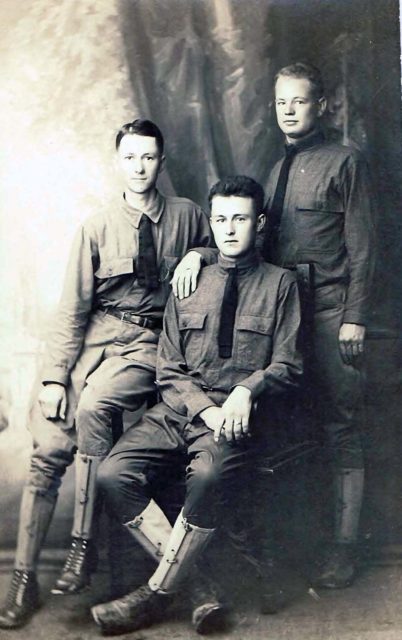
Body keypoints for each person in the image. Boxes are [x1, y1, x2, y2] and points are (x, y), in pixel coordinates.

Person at [0, 118, 217, 630]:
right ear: (116, 161)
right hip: (93, 341)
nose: (139, 167)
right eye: (129, 157)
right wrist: (55, 376)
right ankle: (24, 579)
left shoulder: (188, 216)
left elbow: (223, 253)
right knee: (49, 449)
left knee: (96, 406)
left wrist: (196, 254)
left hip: (148, 345)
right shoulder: (95, 226)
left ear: (161, 162)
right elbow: (72, 309)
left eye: (148, 157)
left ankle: (83, 546)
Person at [90, 175, 302, 635]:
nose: (229, 229)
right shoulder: (190, 280)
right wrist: (200, 408)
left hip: (233, 417)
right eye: (221, 219)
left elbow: (289, 363)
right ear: (211, 222)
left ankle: (151, 597)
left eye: (240, 219)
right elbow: (168, 365)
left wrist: (249, 389)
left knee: (206, 475)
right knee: (112, 473)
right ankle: (196, 586)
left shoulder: (280, 285)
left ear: (259, 223)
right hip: (181, 411)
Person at [262, 62, 375, 588]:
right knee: (287, 429)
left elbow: (364, 248)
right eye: (281, 101)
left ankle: (344, 551)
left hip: (330, 313)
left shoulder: (346, 162)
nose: (288, 109)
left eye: (299, 101)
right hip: (285, 317)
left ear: (320, 105)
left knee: (340, 425)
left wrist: (354, 317)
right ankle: (295, 549)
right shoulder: (273, 169)